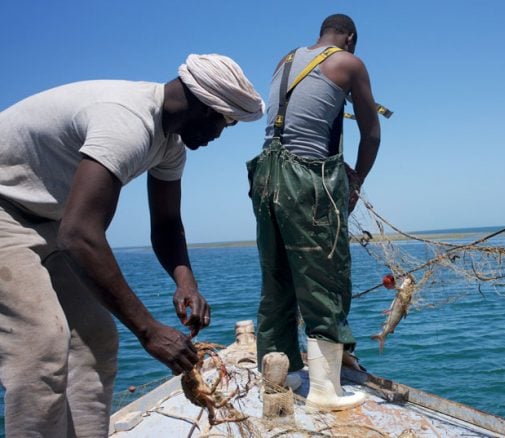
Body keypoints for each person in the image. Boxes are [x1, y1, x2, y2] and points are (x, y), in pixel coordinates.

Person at [0, 54, 264, 436]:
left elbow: (167, 224)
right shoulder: (127, 122)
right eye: (224, 123)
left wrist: (186, 283)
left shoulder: (169, 146)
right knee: (41, 345)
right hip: (7, 211)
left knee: (96, 337)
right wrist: (148, 330)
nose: (217, 137)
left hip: (52, 221)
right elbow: (80, 234)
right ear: (206, 108)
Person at [247, 13, 381, 411]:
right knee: (326, 275)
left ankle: (281, 376)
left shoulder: (285, 60)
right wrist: (356, 181)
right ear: (349, 38)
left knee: (277, 277)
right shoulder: (348, 62)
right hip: (306, 177)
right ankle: (325, 389)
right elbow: (372, 133)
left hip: (265, 176)